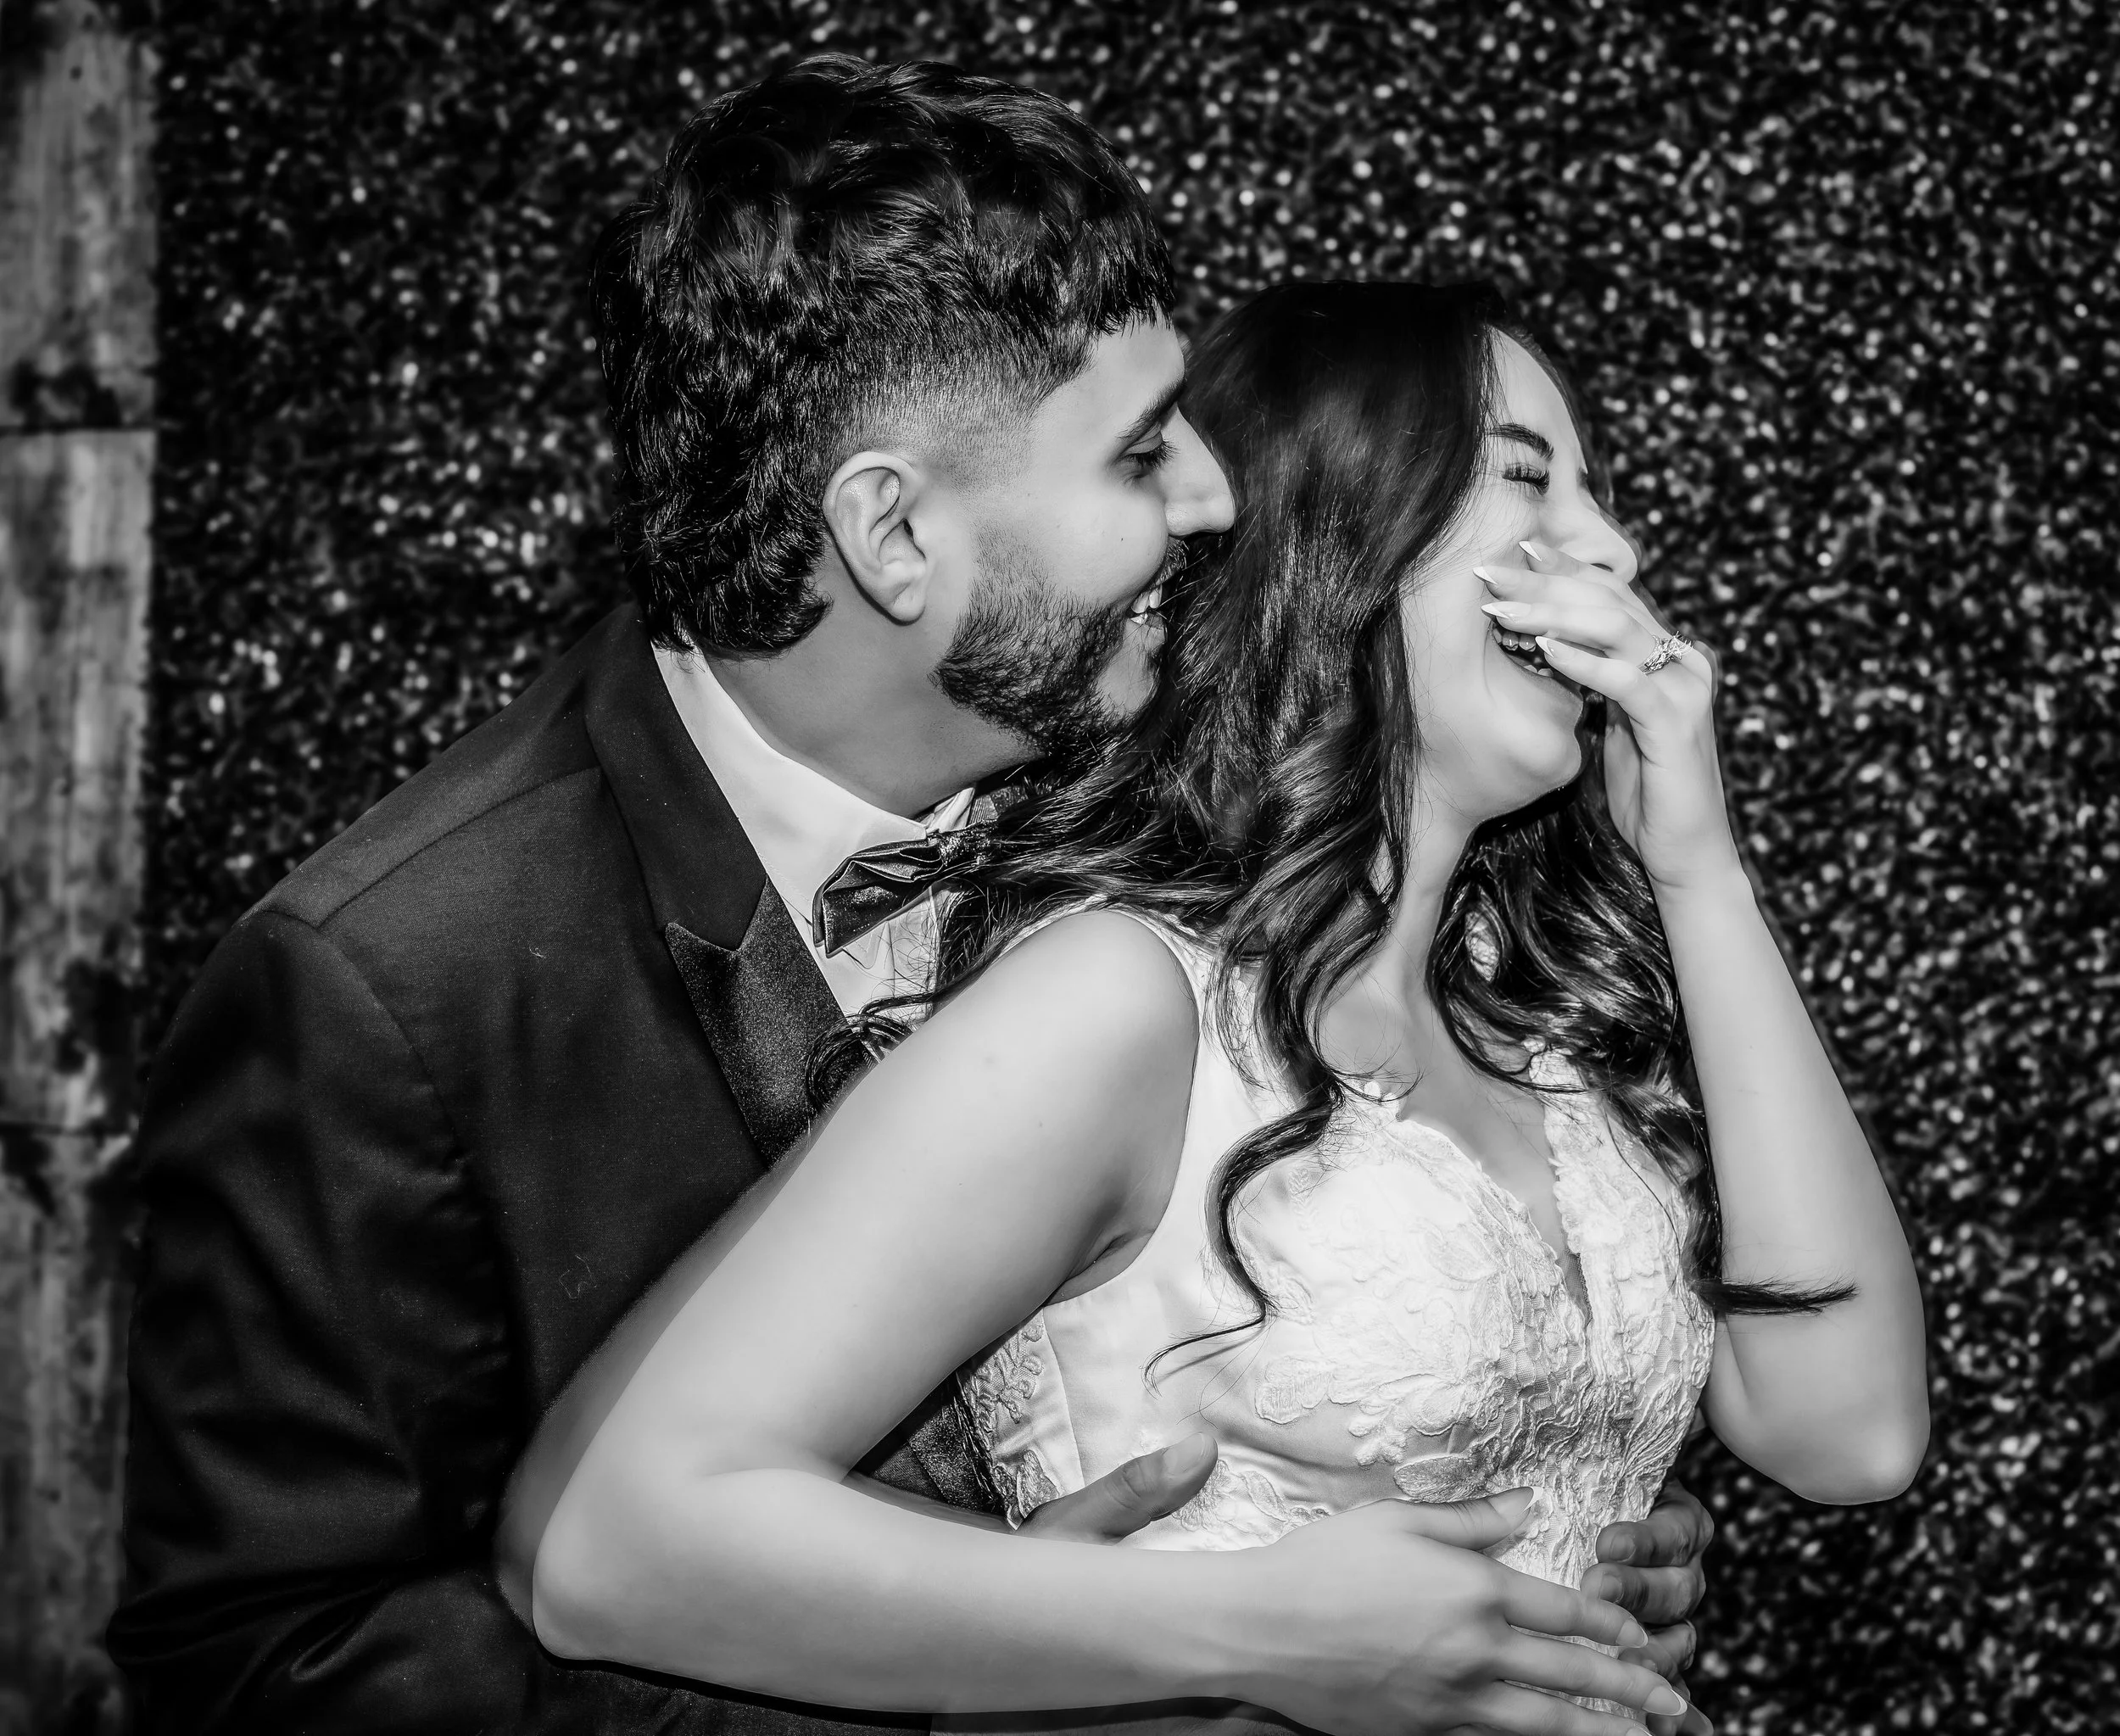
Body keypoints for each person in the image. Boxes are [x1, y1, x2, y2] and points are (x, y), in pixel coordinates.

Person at [108, 57, 1710, 1736]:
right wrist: (1020, 1686)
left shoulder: (1196, 780)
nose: (1214, 503)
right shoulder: (390, 981)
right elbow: (261, 1668)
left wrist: (1527, 1491)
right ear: (891, 535)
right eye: (1141, 454)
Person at [502, 282, 1931, 1733]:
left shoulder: (1539, 1028)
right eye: (1526, 481)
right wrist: (1255, 1633)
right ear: (1337, 529)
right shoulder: (1124, 999)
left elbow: (1852, 1432)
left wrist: (1701, 871)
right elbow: (609, 1540)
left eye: (1604, 501)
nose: (1612, 551)